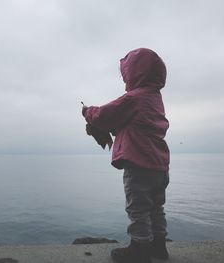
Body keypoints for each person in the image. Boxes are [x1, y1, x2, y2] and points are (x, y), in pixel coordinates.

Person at [82, 48, 170, 263]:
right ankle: (159, 246)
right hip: (159, 166)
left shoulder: (134, 98)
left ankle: (139, 248)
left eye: (126, 76)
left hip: (139, 165)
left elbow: (105, 115)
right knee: (156, 207)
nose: (124, 80)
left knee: (137, 207)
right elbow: (132, 122)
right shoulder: (154, 98)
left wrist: (87, 111)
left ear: (135, 75)